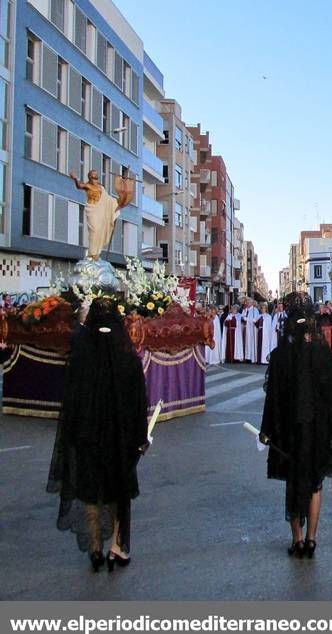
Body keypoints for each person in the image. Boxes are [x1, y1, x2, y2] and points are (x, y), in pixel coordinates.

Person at [47, 297, 149, 571]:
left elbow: (70, 399)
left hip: (87, 434)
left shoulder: (81, 356)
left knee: (90, 490)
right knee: (118, 489)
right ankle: (117, 546)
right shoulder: (127, 358)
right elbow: (139, 402)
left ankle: (95, 547)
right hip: (120, 437)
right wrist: (141, 437)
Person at [259, 293, 332, 558]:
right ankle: (311, 539)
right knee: (315, 482)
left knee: (293, 480)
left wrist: (267, 430)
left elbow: (272, 396)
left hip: (288, 427)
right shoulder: (322, 353)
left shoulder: (280, 355)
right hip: (317, 425)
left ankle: (296, 539)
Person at [69, 170, 131, 260]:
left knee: (99, 231)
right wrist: (75, 178)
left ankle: (96, 253)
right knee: (94, 230)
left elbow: (108, 199)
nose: (95, 179)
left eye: (96, 177)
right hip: (92, 210)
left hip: (100, 210)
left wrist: (117, 203)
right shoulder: (88, 186)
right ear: (90, 178)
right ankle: (92, 253)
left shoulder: (101, 188)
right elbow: (79, 186)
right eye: (93, 177)